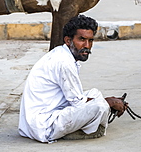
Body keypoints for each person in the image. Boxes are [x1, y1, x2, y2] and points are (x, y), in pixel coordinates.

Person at [19, 15, 128, 143]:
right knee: (100, 105)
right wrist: (111, 102)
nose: (87, 45)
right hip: (44, 125)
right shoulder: (64, 62)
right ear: (68, 40)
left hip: (47, 114)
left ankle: (84, 127)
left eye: (90, 40)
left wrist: (110, 101)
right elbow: (79, 103)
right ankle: (83, 131)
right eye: (81, 39)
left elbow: (76, 99)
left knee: (95, 94)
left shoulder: (63, 54)